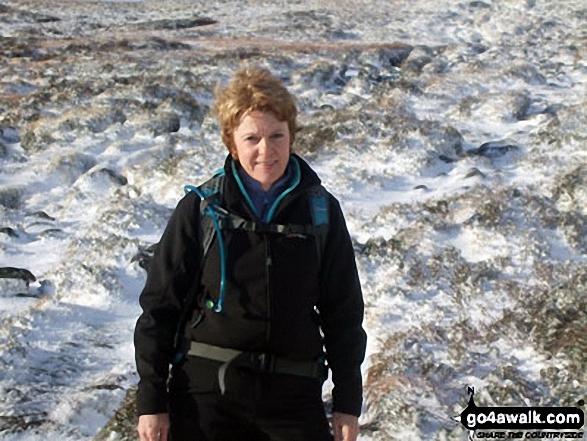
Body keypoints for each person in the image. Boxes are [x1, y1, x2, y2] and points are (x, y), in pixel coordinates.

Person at [134, 66, 367, 441]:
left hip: (294, 393)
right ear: (232, 143)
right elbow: (160, 308)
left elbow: (344, 312)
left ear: (292, 135)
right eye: (252, 138)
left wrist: (347, 401)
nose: (266, 150)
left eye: (277, 135)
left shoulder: (320, 211)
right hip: (207, 393)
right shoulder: (201, 210)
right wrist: (151, 401)